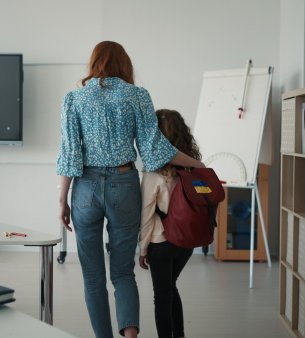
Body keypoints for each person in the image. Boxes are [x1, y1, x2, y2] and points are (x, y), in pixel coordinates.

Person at [57, 41, 204, 338]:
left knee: (93, 277)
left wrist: (62, 199)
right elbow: (155, 150)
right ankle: (131, 336)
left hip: (85, 187)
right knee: (123, 272)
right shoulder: (137, 96)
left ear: (93, 62)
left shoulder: (74, 98)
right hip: (124, 184)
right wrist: (199, 166)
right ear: (124, 64)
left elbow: (69, 153)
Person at [138, 109, 201, 338]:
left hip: (161, 241)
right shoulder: (194, 167)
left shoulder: (154, 172)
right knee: (171, 287)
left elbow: (146, 214)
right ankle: (180, 334)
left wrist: (143, 249)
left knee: (162, 295)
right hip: (187, 241)